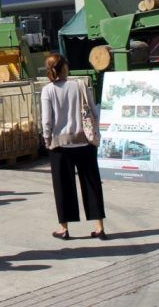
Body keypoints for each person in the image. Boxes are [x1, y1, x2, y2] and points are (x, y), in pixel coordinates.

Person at [41, 53, 106, 241]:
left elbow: (47, 120)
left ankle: (64, 228)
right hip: (84, 141)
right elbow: (94, 111)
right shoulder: (80, 85)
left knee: (63, 186)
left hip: (60, 144)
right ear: (65, 68)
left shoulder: (48, 90)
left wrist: (47, 139)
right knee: (92, 183)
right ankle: (99, 226)